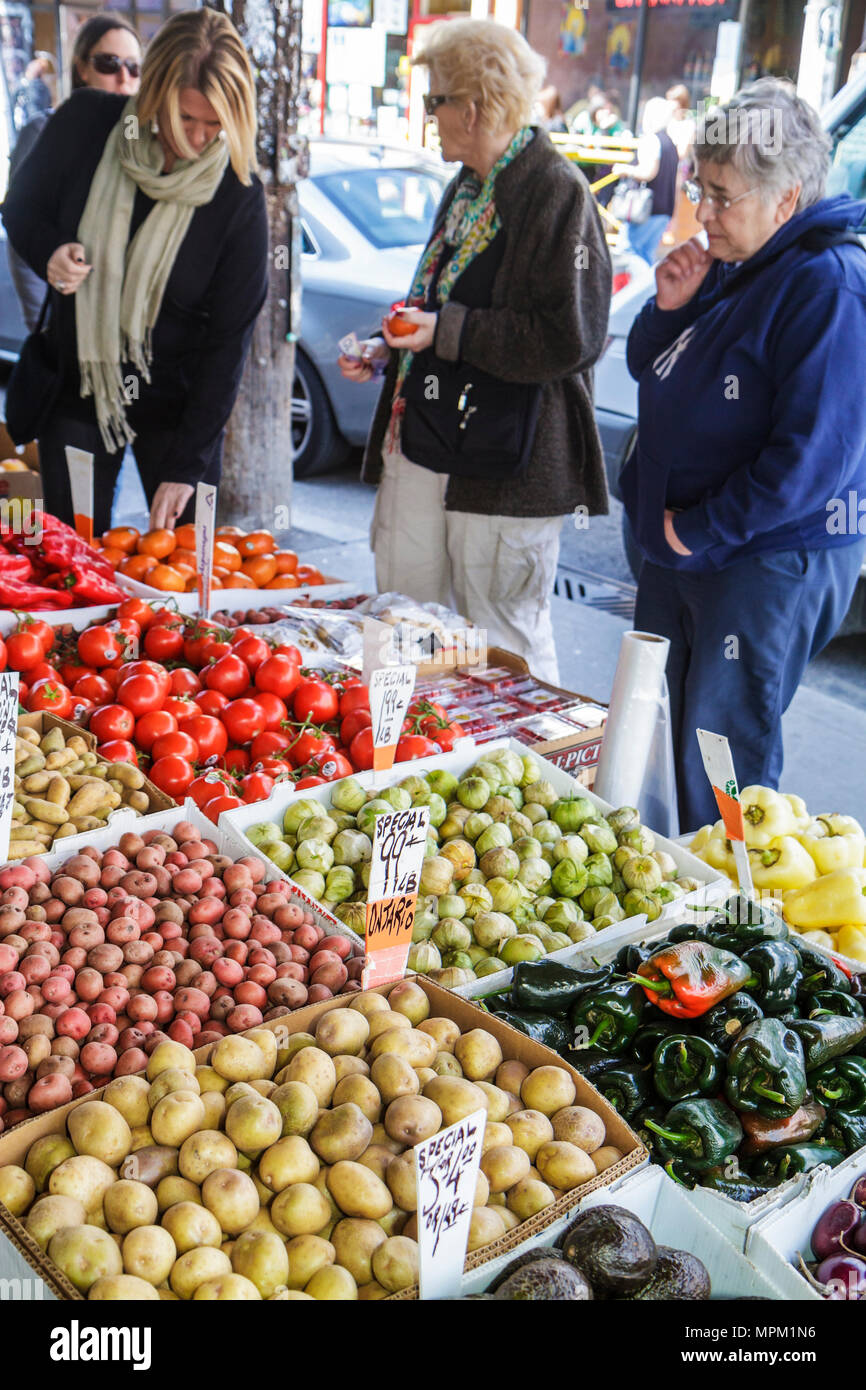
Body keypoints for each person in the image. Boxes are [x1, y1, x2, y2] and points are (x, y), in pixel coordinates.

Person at [620, 80, 866, 828]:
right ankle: (671, 899)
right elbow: (649, 368)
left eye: (722, 196)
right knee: (655, 735)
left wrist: (696, 528)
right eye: (700, 188)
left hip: (758, 559)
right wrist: (668, 308)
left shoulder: (829, 286)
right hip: (686, 551)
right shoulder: (734, 259)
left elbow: (808, 462)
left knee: (722, 759)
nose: (703, 211)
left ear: (785, 200)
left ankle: (731, 915)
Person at [337, 19, 612, 683]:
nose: (428, 115)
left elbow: (571, 337)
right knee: (407, 626)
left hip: (507, 471)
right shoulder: (464, 188)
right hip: (429, 444)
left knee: (499, 647)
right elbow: (433, 308)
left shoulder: (556, 190)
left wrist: (447, 332)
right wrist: (388, 347)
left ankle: (533, 769)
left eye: (435, 100)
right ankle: (408, 765)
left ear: (474, 106)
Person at [3, 7, 268, 536]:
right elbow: (20, 208)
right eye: (182, 117)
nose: (195, 139)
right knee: (72, 556)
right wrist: (52, 251)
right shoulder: (87, 123)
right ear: (153, 96)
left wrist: (188, 467)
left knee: (189, 569)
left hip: (181, 412)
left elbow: (228, 341)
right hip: (81, 387)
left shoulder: (237, 192)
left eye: (214, 124)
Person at [6, 14, 142, 333]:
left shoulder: (140, 138)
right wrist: (41, 319)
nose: (124, 77)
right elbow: (22, 216)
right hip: (64, 313)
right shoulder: (46, 129)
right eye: (109, 63)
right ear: (82, 68)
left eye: (134, 66)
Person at [612, 96, 677, 263]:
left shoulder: (652, 140)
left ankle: (634, 289)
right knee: (646, 256)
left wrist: (624, 169)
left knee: (629, 253)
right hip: (663, 209)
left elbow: (648, 172)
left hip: (645, 209)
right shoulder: (670, 142)